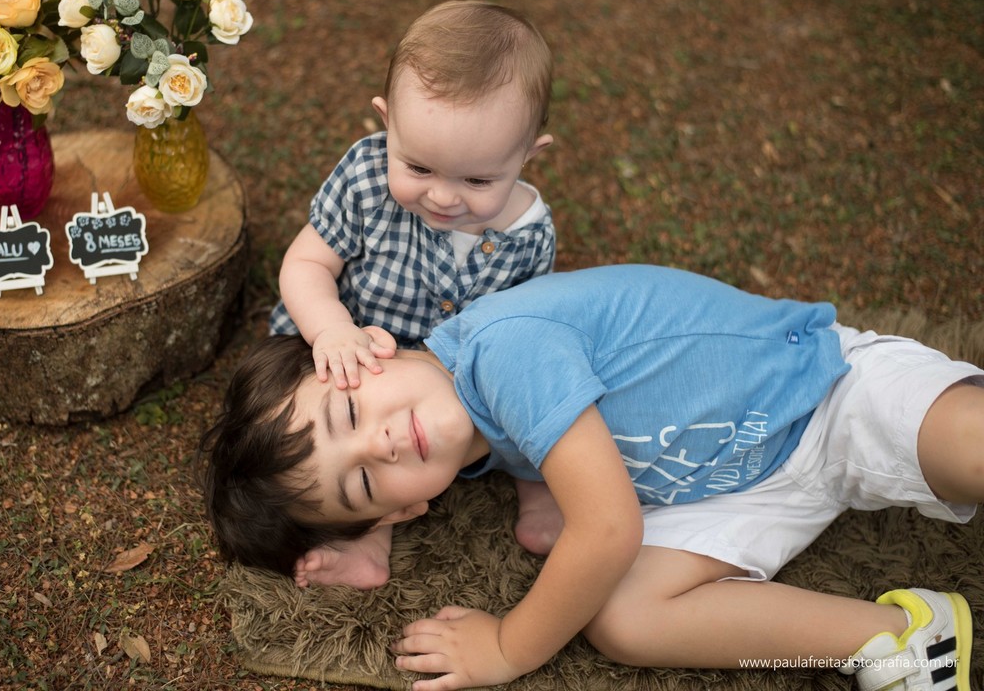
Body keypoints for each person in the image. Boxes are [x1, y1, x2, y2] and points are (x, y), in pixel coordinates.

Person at [200, 265, 984, 691]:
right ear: (405, 510)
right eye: (364, 488)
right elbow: (420, 471)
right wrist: (361, 540)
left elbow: (606, 529)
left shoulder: (506, 349)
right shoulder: (458, 437)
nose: (381, 446)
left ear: (369, 348)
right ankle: (901, 636)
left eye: (347, 418)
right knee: (624, 620)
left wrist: (507, 646)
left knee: (970, 450)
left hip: (825, 392)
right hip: (736, 487)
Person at [268, 0, 557, 392]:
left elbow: (522, 329)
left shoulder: (531, 236)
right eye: (419, 169)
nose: (442, 197)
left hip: (435, 393)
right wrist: (330, 329)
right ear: (389, 125)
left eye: (476, 181)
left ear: (527, 155)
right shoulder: (366, 178)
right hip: (336, 354)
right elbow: (307, 263)